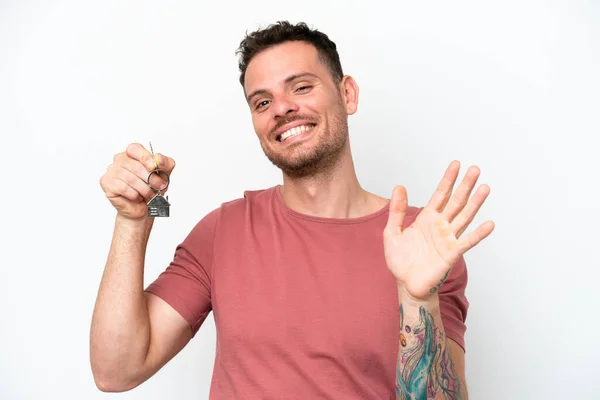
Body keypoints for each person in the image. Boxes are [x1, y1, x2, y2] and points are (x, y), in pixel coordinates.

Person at [91, 21, 494, 399]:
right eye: (262, 101)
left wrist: (417, 298)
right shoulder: (223, 232)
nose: (281, 109)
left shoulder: (424, 242)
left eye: (301, 87)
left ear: (347, 94)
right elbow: (117, 369)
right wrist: (132, 220)